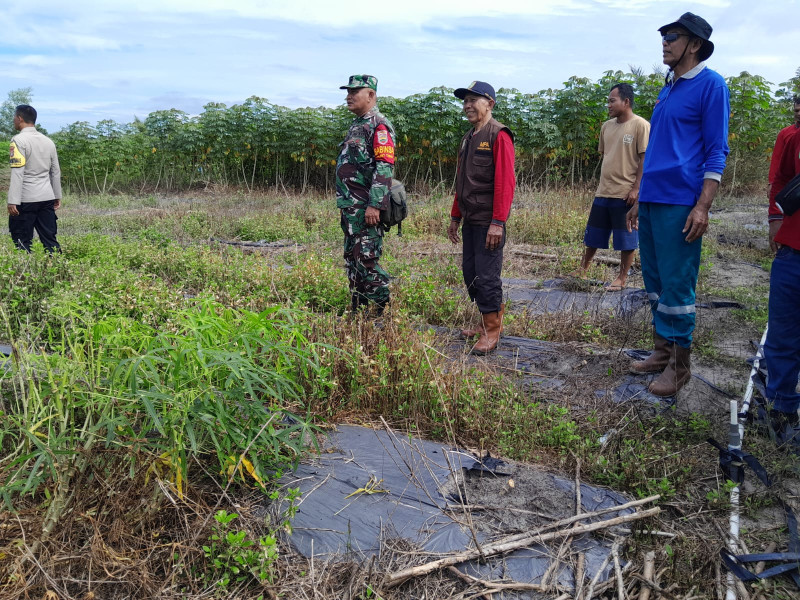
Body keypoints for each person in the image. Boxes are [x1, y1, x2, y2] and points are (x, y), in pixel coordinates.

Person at [626, 13, 729, 396]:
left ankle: (679, 367)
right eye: (664, 36)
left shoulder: (711, 85)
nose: (665, 42)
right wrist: (641, 195)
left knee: (677, 284)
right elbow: (656, 150)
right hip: (653, 200)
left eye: (672, 36)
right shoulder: (668, 89)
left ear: (695, 44)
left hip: (681, 203)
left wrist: (702, 206)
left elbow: (716, 151)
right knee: (654, 279)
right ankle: (661, 350)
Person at [447, 81, 516, 354]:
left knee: (487, 277)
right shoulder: (467, 138)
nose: (467, 105)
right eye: (465, 101)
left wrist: (498, 222)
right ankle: (485, 321)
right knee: (471, 274)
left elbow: (505, 184)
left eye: (474, 99)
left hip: (489, 221)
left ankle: (492, 329)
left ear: (490, 104)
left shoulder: (499, 135)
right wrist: (455, 217)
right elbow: (461, 181)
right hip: (470, 219)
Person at [573, 83, 649, 290]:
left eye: (612, 101)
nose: (608, 105)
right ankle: (583, 269)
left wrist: (636, 189)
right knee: (594, 235)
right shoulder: (606, 126)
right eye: (608, 101)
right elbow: (607, 155)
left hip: (625, 194)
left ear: (626, 101)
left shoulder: (640, 125)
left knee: (627, 239)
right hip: (604, 191)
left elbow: (645, 160)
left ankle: (622, 278)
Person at [335, 75, 396, 313]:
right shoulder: (357, 125)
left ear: (370, 95)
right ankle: (358, 309)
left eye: (354, 92)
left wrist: (375, 205)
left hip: (365, 208)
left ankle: (384, 309)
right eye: (348, 92)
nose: (348, 96)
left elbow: (384, 167)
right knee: (352, 258)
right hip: (350, 207)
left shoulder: (378, 126)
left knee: (366, 259)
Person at [763, 121, 800, 452]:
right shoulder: (793, 136)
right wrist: (776, 221)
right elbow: (783, 178)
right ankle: (781, 407)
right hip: (794, 251)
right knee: (783, 333)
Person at [7, 104, 62, 253]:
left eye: (14, 117)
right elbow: (55, 172)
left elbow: (18, 172)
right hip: (46, 198)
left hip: (26, 199)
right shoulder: (48, 141)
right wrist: (56, 196)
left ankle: (24, 273)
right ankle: (59, 271)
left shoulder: (18, 140)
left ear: (19, 118)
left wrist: (13, 200)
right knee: (50, 240)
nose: (13, 120)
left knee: (22, 241)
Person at [768, 97, 800, 252]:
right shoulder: (787, 134)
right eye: (796, 110)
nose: (799, 114)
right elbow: (777, 159)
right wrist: (771, 183)